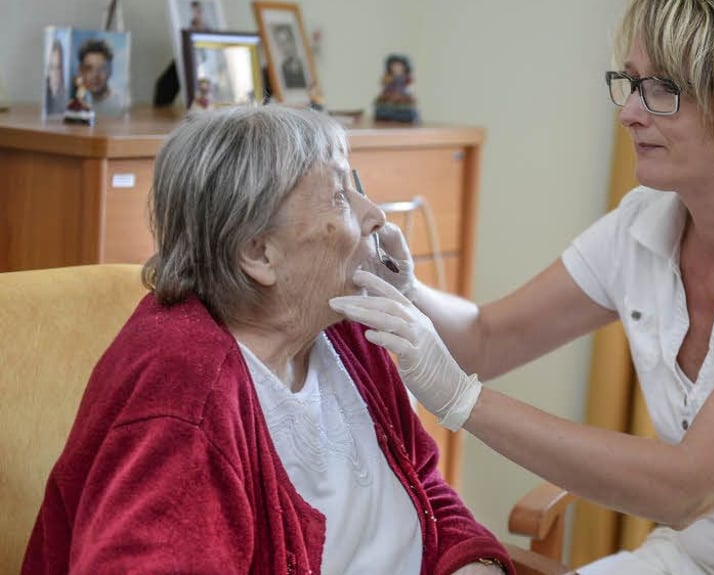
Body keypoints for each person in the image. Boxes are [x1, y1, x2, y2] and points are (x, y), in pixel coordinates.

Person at [330, 1, 714, 574]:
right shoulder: (642, 223)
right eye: (631, 83)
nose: (630, 113)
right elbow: (488, 339)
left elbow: (690, 488)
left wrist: (460, 401)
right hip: (705, 558)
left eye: (664, 89)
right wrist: (405, 289)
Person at [21, 105, 511, 575]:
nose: (375, 216)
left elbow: (421, 486)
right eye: (341, 195)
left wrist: (474, 562)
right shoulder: (184, 392)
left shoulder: (349, 328)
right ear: (259, 253)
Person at [76, 37, 125, 115]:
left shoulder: (121, 105)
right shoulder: (81, 103)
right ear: (81, 71)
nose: (95, 76)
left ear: (110, 71)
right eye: (89, 68)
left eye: (101, 68)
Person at [273, 24, 307, 89]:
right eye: (281, 44)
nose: (285, 47)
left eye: (287, 41)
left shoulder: (306, 63)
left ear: (293, 40)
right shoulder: (281, 70)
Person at [44, 39, 66, 115]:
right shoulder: (45, 93)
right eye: (52, 67)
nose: (55, 74)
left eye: (59, 67)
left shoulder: (66, 94)